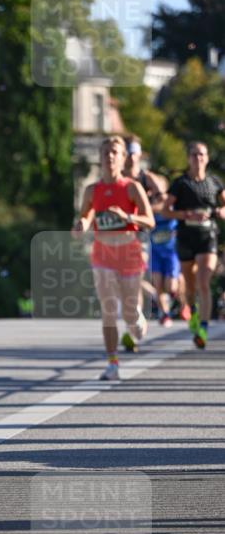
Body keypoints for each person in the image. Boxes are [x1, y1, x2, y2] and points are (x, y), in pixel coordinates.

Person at [72, 135, 155, 381]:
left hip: (128, 253)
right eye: (106, 151)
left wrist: (128, 217)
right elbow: (87, 216)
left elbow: (149, 220)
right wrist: (82, 225)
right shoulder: (92, 190)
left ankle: (136, 319)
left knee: (128, 312)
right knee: (108, 308)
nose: (109, 156)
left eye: (115, 152)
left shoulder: (131, 187)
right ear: (100, 157)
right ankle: (112, 363)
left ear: (122, 158)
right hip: (103, 254)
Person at [163, 142, 225, 348]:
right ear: (188, 158)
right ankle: (193, 313)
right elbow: (165, 210)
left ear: (207, 158)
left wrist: (221, 212)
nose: (198, 158)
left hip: (207, 236)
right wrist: (187, 214)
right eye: (194, 154)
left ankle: (203, 329)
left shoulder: (215, 182)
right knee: (190, 287)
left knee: (203, 281)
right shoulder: (180, 183)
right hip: (185, 236)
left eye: (202, 154)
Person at [124, 138, 180, 326]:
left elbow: (164, 202)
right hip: (121, 235)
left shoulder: (146, 178)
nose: (130, 157)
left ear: (139, 154)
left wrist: (144, 206)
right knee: (129, 281)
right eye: (127, 152)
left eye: (134, 153)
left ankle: (140, 318)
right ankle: (140, 315)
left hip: (142, 234)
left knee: (135, 276)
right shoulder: (117, 178)